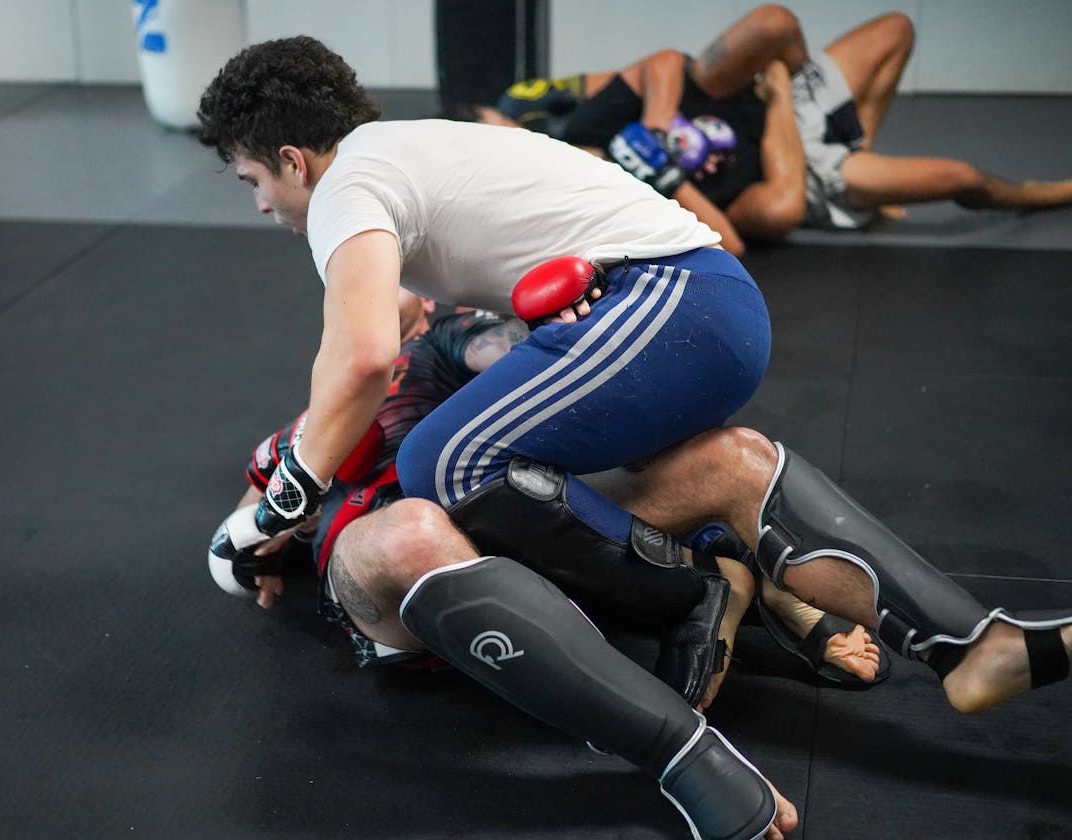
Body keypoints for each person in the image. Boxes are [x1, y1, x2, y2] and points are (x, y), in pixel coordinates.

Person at [196, 35, 1071, 840]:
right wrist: (255, 529)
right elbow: (297, 449)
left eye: (254, 184)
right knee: (422, 506)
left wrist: (281, 502)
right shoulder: (407, 206)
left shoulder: (370, 221)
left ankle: (727, 608)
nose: (264, 207)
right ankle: (937, 641)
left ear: (291, 159)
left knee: (447, 460)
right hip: (448, 550)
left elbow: (359, 361)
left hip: (663, 318)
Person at [210, 292, 883, 709]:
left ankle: (743, 589)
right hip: (388, 577)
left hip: (498, 527)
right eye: (356, 282)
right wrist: (255, 538)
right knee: (417, 531)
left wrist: (560, 335)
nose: (375, 286)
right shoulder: (325, 397)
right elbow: (250, 505)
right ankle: (724, 582)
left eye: (395, 271)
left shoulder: (444, 337)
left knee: (677, 449)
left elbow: (501, 354)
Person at [464, 5, 1072, 253]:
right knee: (960, 176)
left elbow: (664, 63)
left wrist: (653, 125)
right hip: (798, 170)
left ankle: (848, 134)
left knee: (886, 28)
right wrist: (667, 176)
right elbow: (735, 241)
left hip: (778, 106)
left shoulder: (587, 121)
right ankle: (1048, 191)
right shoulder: (603, 203)